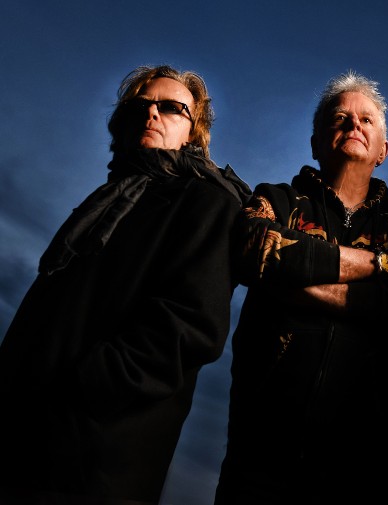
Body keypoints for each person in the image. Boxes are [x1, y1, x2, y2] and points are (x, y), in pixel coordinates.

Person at [0, 65, 250, 504]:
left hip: (97, 458)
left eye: (171, 108)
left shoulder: (208, 201)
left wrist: (82, 391)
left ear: (193, 133)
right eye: (141, 106)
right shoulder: (106, 200)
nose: (152, 114)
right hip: (22, 439)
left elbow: (189, 325)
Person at [214, 70, 388, 504]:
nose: (353, 124)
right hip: (259, 459)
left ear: (383, 151)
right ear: (316, 143)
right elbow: (254, 250)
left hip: (365, 470)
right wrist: (379, 264)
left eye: (366, 120)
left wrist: (290, 282)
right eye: (339, 118)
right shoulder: (277, 201)